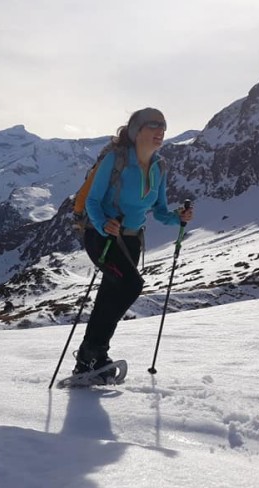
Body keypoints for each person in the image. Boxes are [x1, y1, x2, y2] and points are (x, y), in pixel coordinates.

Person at [74, 107, 194, 378]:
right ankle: (93, 353)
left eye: (163, 126)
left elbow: (160, 212)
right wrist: (104, 223)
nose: (160, 131)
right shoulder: (116, 160)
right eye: (153, 126)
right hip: (102, 237)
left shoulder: (159, 167)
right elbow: (92, 200)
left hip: (130, 242)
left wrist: (179, 217)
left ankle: (89, 360)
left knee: (109, 296)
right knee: (131, 285)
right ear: (136, 131)